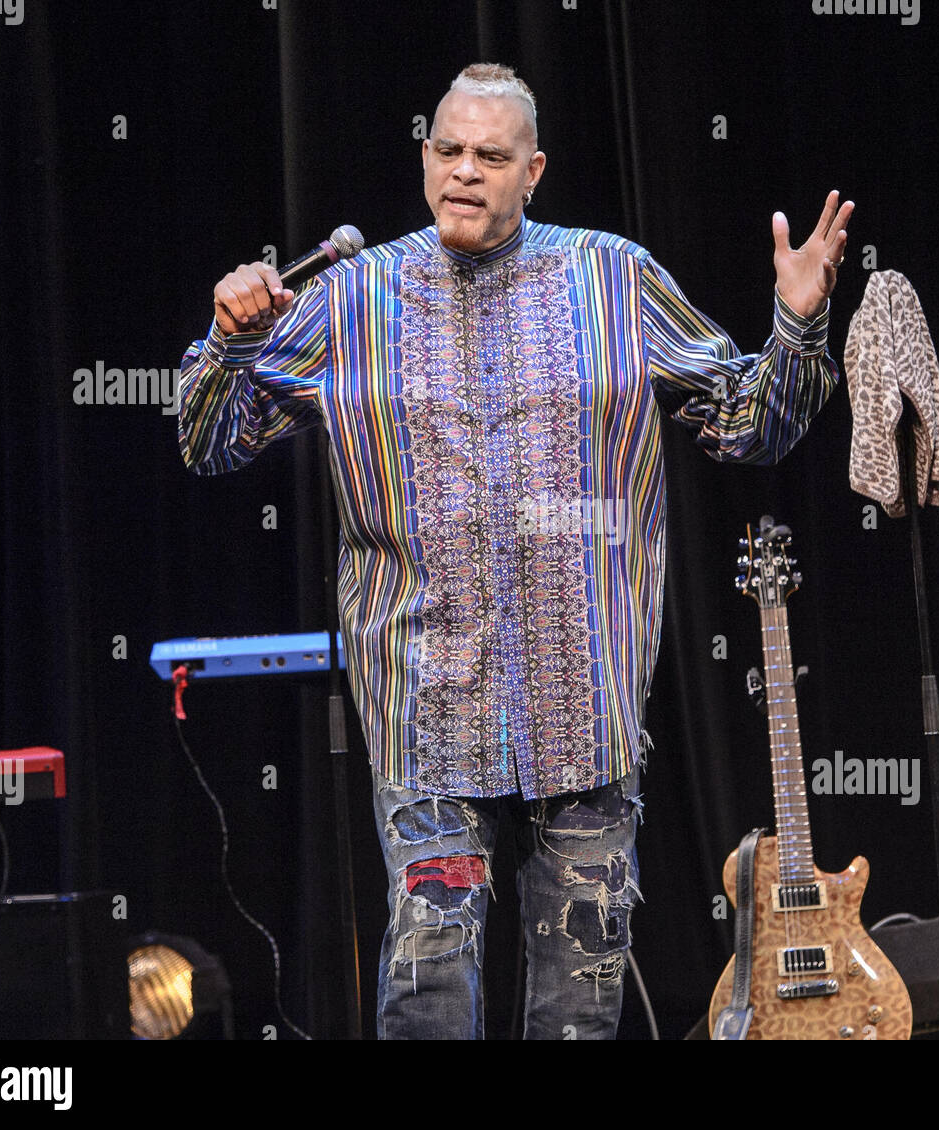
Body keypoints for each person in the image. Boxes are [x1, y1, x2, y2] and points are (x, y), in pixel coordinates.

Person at [178, 62, 851, 1040]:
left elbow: (756, 428)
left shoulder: (614, 278)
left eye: (490, 155)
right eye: (447, 150)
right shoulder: (353, 295)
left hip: (584, 712)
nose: (464, 171)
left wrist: (796, 322)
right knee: (426, 993)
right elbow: (207, 445)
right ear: (424, 157)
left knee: (581, 1002)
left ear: (531, 170)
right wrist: (226, 339)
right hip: (426, 713)